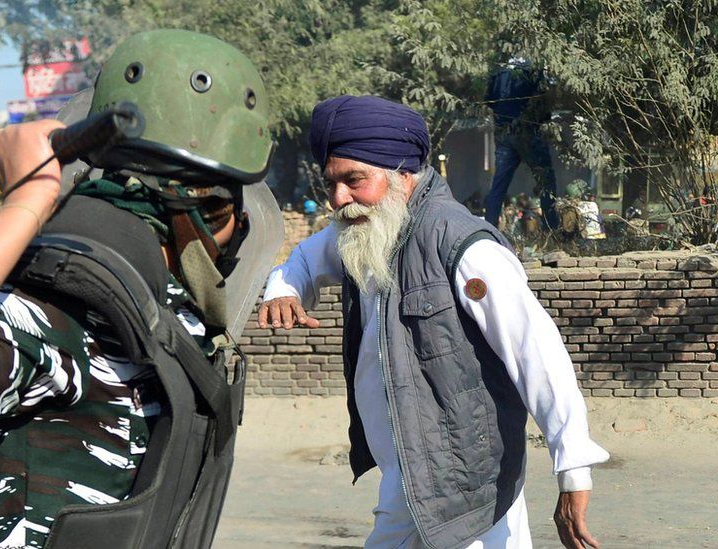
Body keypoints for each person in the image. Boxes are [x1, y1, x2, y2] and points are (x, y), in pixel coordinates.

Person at [0, 29, 274, 548]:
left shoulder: (157, 312)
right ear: (206, 212)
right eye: (229, 214)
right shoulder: (58, 311)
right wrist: (25, 203)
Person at [258, 95, 609, 549]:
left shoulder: (461, 243)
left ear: (403, 173)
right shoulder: (366, 226)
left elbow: (535, 352)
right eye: (332, 184)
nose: (339, 199)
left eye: (354, 181)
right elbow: (306, 256)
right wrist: (284, 289)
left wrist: (573, 468)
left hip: (465, 484)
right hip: (408, 477)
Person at [484, 57, 560, 230]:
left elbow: (489, 102)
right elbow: (545, 99)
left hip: (504, 135)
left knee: (498, 186)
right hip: (528, 132)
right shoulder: (533, 68)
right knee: (546, 180)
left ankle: (488, 229)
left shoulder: (499, 71)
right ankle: (551, 231)